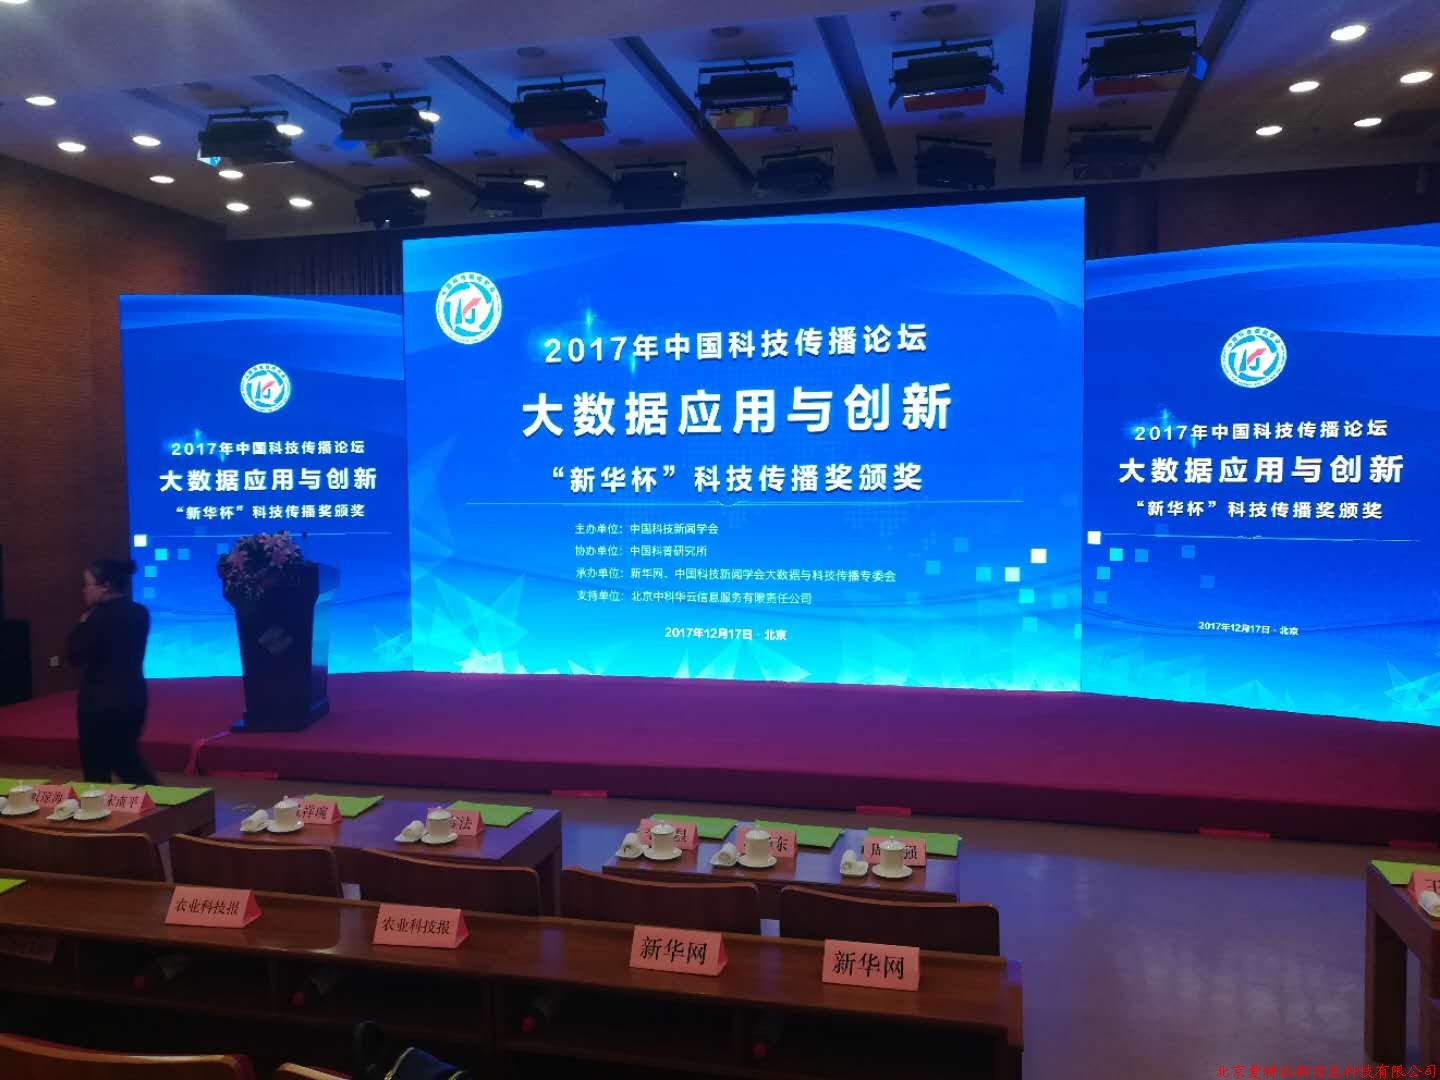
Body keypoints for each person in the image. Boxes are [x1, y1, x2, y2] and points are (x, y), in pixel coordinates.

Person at [66, 558, 158, 785]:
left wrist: (81, 624)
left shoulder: (94, 618)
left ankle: (101, 806)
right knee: (126, 758)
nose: (84, 590)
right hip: (133, 698)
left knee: (97, 767)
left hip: (98, 704)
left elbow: (74, 656)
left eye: (88, 584)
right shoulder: (139, 613)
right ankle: (160, 799)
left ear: (105, 586)